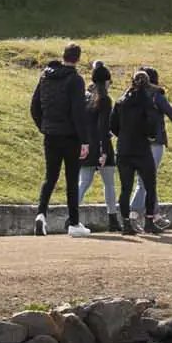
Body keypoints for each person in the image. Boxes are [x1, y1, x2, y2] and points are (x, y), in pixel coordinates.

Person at [30, 42, 88, 236]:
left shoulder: (46, 77)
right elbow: (78, 113)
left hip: (51, 135)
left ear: (63, 56)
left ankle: (41, 214)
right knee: (72, 179)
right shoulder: (76, 80)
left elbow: (35, 106)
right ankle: (74, 222)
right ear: (78, 59)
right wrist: (85, 140)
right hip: (70, 137)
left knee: (50, 177)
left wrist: (44, 126)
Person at [112, 68, 170, 234]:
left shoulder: (121, 101)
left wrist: (123, 135)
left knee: (125, 188)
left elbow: (113, 124)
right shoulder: (147, 102)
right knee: (150, 186)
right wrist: (149, 136)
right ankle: (149, 220)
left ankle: (126, 223)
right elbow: (151, 126)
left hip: (123, 149)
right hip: (142, 150)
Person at [133, 67, 172, 225]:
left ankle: (155, 215)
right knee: (146, 180)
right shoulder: (157, 95)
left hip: (136, 142)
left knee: (146, 179)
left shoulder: (130, 94)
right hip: (154, 142)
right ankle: (132, 213)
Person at [74, 60, 117, 230]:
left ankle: (72, 214)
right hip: (101, 144)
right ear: (106, 82)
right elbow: (103, 127)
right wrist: (104, 150)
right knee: (109, 184)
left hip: (86, 144)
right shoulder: (105, 99)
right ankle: (112, 218)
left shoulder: (85, 98)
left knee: (83, 183)